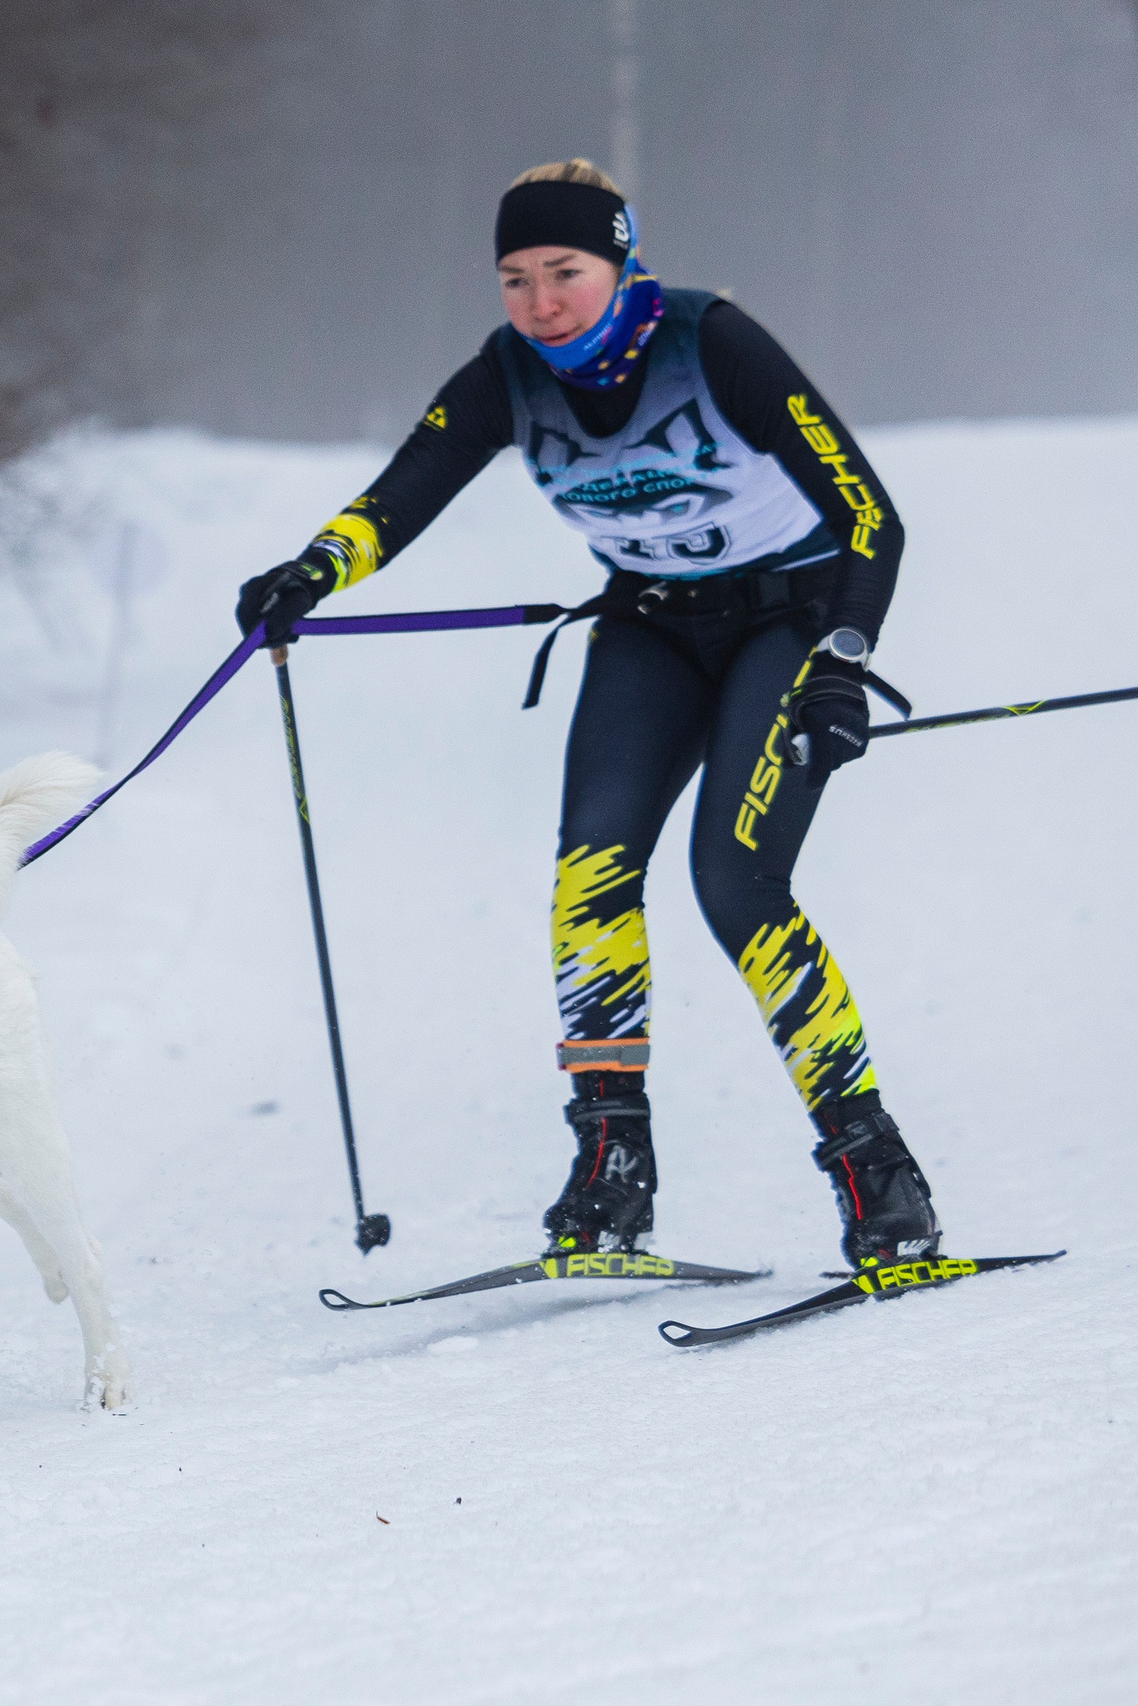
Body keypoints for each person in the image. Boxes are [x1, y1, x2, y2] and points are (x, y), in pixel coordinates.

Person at [235, 158, 937, 1271]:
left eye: (563, 271)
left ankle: (874, 1168)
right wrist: (311, 572)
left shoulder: (711, 342)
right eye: (513, 277)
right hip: (652, 628)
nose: (538, 301)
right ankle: (612, 1164)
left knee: (735, 882)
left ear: (618, 263)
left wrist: (844, 662)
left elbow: (869, 515)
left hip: (787, 620)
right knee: (589, 873)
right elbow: (405, 489)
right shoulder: (507, 374)